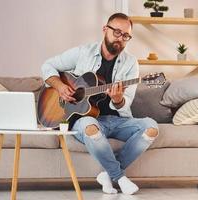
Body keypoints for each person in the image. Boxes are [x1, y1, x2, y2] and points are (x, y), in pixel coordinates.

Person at [41, 13, 159, 195]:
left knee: (151, 127)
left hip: (117, 120)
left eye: (126, 36)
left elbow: (126, 103)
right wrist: (60, 86)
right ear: (105, 29)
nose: (120, 39)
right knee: (90, 127)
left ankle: (107, 175)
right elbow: (47, 65)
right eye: (117, 32)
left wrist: (118, 99)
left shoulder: (131, 64)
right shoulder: (82, 53)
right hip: (86, 120)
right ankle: (119, 177)